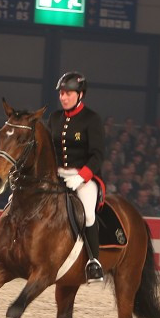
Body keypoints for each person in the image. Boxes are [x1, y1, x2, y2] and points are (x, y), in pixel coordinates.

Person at [48, 71, 105, 282]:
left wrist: (80, 177)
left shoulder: (92, 119)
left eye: (68, 93)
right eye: (61, 93)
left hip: (83, 178)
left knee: (88, 214)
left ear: (80, 95)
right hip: (55, 175)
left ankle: (93, 262)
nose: (63, 97)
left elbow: (98, 155)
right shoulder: (54, 118)